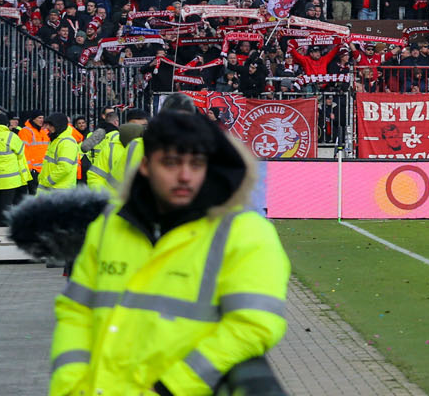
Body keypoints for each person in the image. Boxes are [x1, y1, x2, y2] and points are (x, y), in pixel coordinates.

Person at [51, 108, 290, 396]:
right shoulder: (109, 225)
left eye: (196, 164)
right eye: (171, 163)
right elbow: (76, 311)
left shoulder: (246, 233)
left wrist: (171, 386)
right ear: (145, 165)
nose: (185, 176)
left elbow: (255, 324)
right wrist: (69, 385)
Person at [0, 111, 30, 225]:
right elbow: (20, 153)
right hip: (9, 179)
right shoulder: (11, 136)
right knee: (6, 205)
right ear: (6, 124)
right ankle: (3, 228)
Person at [38, 113, 82, 191]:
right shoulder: (56, 140)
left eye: (51, 125)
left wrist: (47, 181)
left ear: (58, 125)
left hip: (59, 189)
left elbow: (64, 168)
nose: (48, 127)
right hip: (53, 188)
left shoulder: (66, 142)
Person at [109, 108, 150, 185]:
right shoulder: (112, 145)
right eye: (134, 126)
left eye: (143, 126)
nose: (138, 130)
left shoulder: (152, 147)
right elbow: (96, 175)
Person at [19, 110, 50, 191]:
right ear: (33, 119)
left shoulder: (43, 131)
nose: (42, 120)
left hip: (43, 169)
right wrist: (30, 169)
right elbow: (24, 151)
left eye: (42, 118)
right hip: (34, 170)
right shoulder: (25, 131)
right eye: (39, 118)